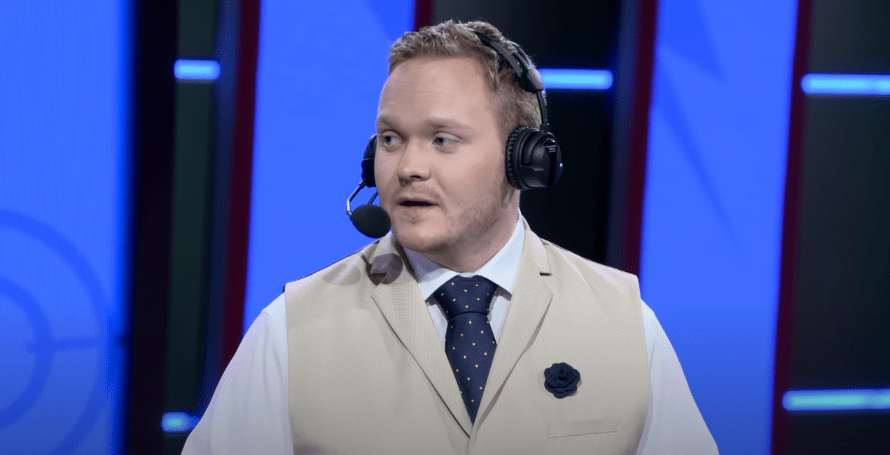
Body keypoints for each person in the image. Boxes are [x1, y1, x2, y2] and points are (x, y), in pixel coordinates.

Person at [183, 20, 717, 454]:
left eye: (442, 140)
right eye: (391, 139)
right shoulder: (292, 329)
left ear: (524, 160)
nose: (408, 167)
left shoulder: (623, 323)